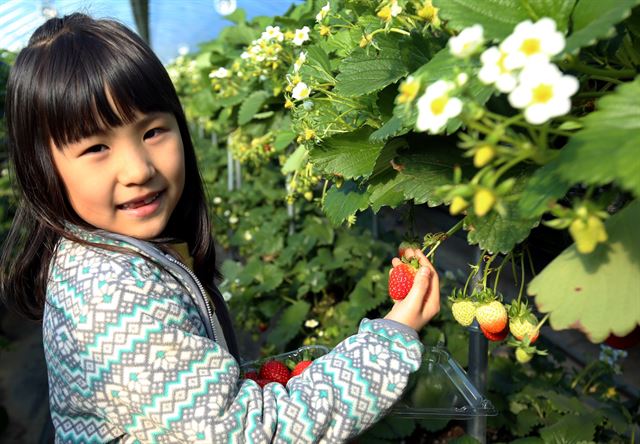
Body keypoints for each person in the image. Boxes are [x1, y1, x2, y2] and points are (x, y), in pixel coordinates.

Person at [0, 13, 441, 443]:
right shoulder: (108, 296)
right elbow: (248, 432)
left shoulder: (111, 256)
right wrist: (391, 338)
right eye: (96, 146)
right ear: (42, 167)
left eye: (152, 132)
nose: (137, 168)